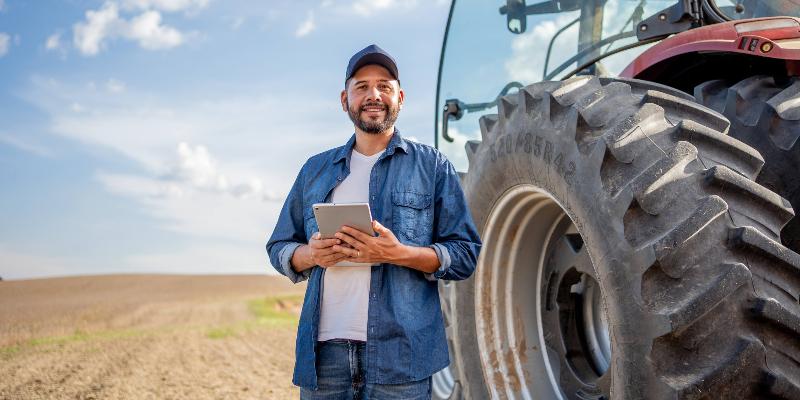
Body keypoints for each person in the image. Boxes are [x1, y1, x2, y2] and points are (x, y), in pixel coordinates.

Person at [266, 44, 481, 399]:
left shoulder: (432, 167)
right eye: (362, 86)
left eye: (383, 85)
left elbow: (465, 253)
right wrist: (311, 255)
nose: (373, 95)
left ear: (400, 96)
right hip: (325, 359)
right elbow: (279, 247)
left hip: (401, 358)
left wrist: (398, 253)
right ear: (344, 99)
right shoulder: (314, 170)